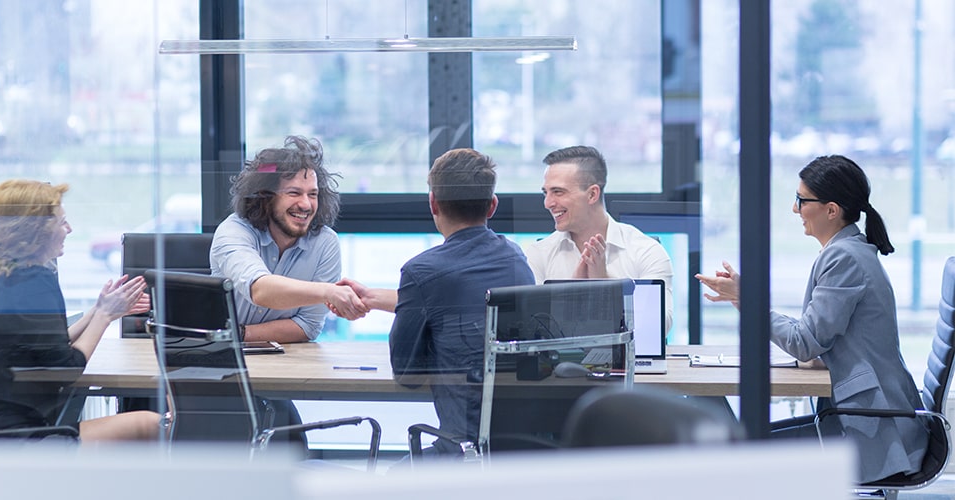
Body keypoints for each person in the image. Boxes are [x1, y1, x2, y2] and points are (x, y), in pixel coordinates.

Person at [695, 155, 928, 484]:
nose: (795, 209)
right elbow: (814, 337)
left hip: (872, 433)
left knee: (735, 455)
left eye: (801, 201)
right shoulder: (847, 251)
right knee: (735, 447)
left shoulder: (844, 258)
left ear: (831, 210)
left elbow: (804, 344)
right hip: (863, 421)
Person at [334, 148, 535, 459]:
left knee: (392, 478)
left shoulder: (421, 271)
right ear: (492, 205)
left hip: (462, 450)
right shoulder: (516, 259)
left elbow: (406, 374)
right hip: (522, 450)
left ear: (433, 203)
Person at [0, 179, 159, 442]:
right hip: (25, 438)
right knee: (153, 425)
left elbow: (49, 350)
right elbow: (66, 368)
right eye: (62, 222)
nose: (70, 229)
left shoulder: (0, 276)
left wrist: (97, 310)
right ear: (37, 230)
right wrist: (104, 316)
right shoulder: (35, 281)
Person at [209, 134, 366, 450]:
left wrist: (239, 333)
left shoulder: (325, 244)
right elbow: (261, 290)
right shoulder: (233, 231)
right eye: (294, 192)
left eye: (313, 194)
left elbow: (308, 327)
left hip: (277, 376)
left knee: (290, 447)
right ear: (265, 197)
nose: (306, 204)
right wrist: (327, 292)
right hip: (221, 377)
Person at [525, 146, 674, 331]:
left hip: (630, 360)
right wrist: (571, 294)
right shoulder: (537, 255)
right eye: (545, 193)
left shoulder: (646, 251)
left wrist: (606, 284)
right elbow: (531, 331)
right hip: (560, 361)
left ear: (592, 194)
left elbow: (660, 327)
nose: (548, 203)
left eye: (558, 192)